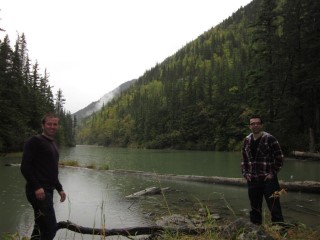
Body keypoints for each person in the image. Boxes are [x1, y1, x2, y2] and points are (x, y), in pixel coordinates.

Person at [21, 113, 66, 239]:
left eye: (55, 124)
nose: (52, 126)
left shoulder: (53, 144)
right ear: (43, 125)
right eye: (49, 124)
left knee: (40, 226)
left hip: (48, 191)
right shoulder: (34, 141)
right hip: (38, 192)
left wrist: (60, 189)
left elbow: (52, 171)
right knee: (50, 229)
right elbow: (25, 167)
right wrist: (37, 187)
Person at [241, 115, 284, 225]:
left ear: (261, 125)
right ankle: (256, 231)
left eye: (257, 123)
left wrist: (272, 173)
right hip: (253, 179)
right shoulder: (247, 140)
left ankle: (280, 231)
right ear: (249, 126)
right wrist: (245, 173)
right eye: (252, 124)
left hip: (269, 180)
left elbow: (279, 157)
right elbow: (244, 159)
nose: (255, 125)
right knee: (255, 208)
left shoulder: (270, 138)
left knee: (275, 207)